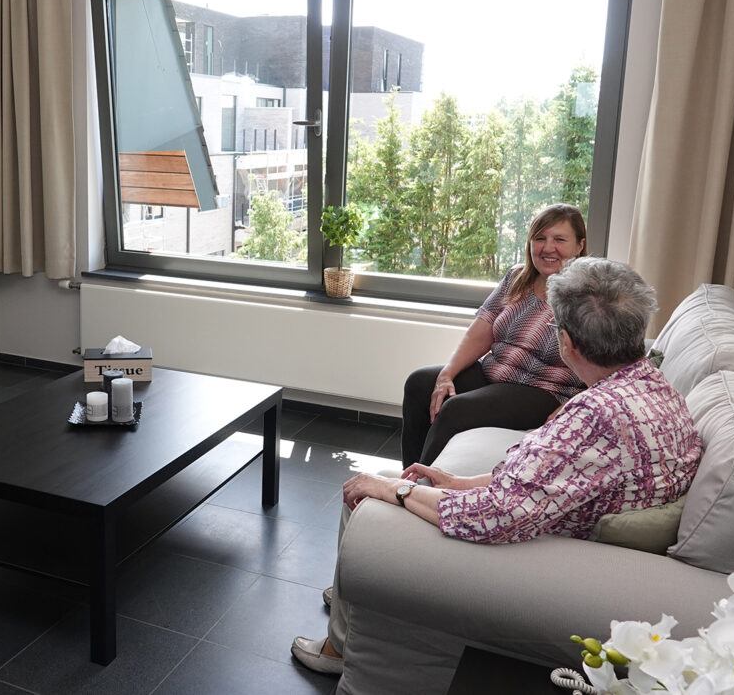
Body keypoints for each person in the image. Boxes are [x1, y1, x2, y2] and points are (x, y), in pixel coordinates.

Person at [291, 257, 701, 676]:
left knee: (367, 491)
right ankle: (355, 596)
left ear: (567, 343)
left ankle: (340, 648)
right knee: (388, 478)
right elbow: (561, 479)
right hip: (548, 512)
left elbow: (493, 516)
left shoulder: (595, 415)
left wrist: (399, 491)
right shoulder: (651, 384)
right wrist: (461, 481)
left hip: (531, 540)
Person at [401, 203, 589, 468]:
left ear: (580, 245)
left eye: (559, 239)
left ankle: (419, 485)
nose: (548, 248)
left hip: (543, 390)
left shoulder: (588, 297)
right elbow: (480, 332)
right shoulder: (517, 277)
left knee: (456, 409)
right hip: (493, 372)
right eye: (540, 238)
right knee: (420, 383)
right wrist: (447, 374)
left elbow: (606, 367)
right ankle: (408, 473)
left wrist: (570, 407)